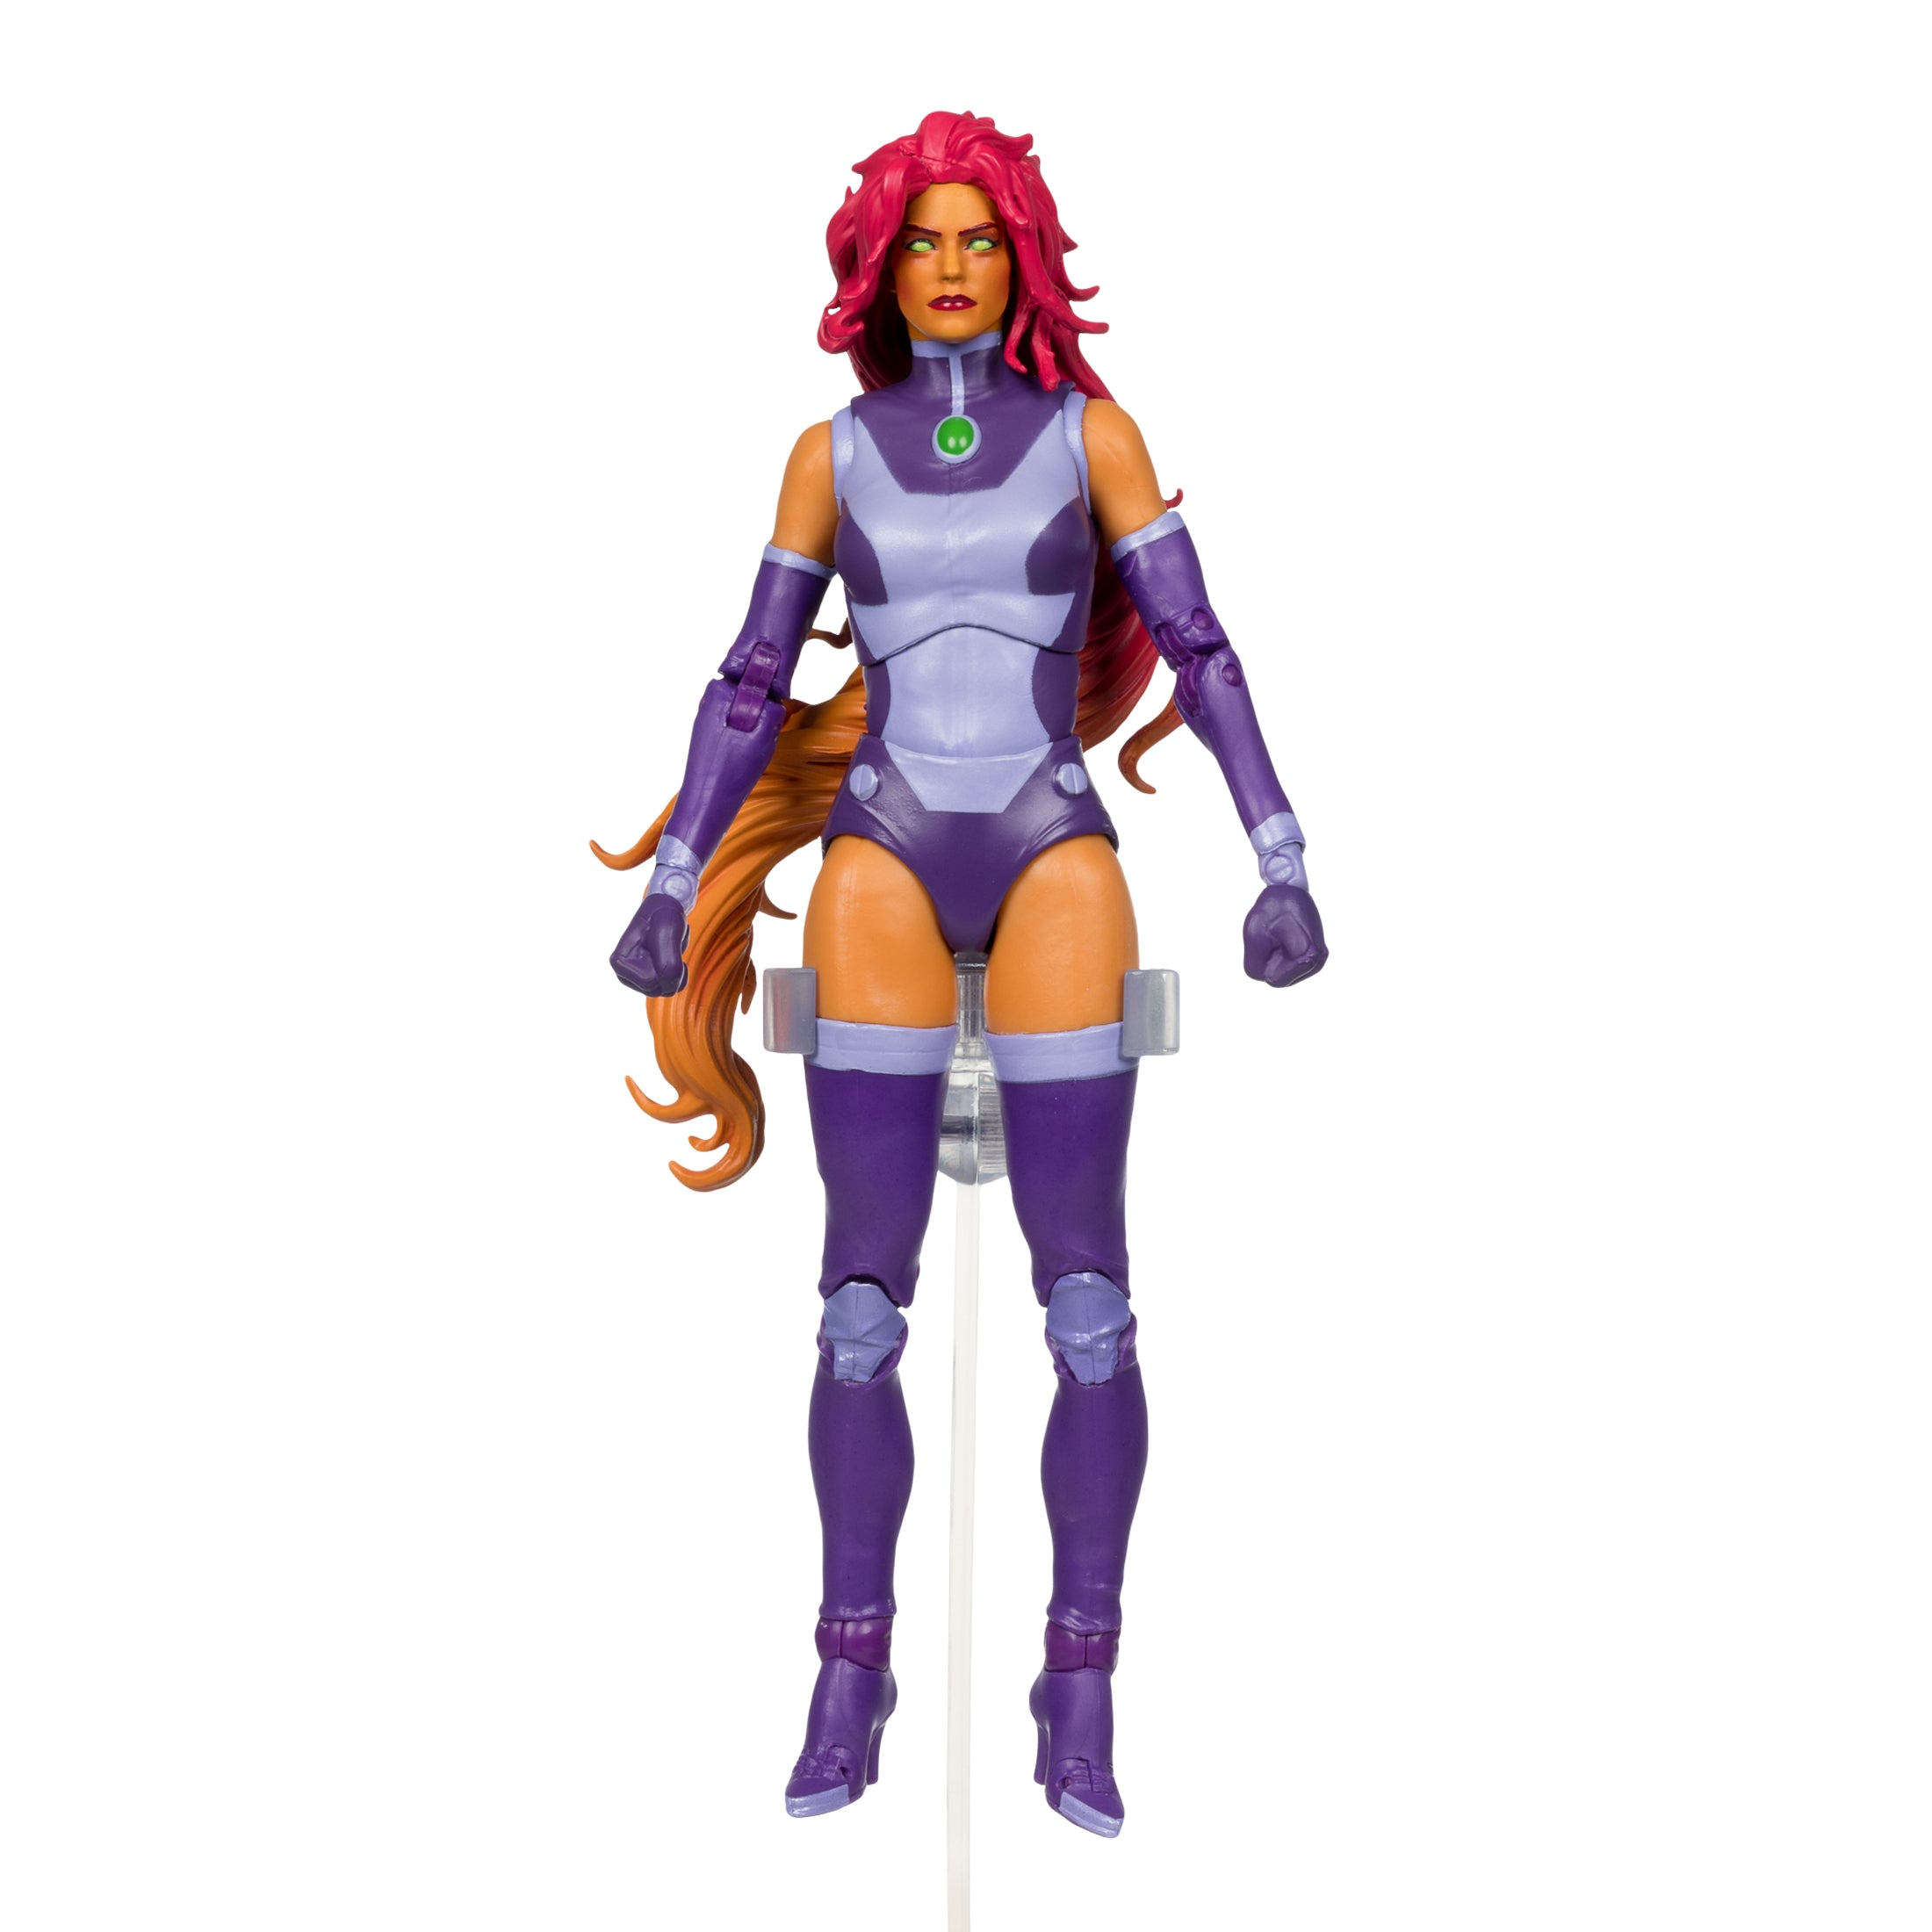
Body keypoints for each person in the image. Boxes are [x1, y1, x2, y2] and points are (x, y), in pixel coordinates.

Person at [598, 111, 1326, 1836]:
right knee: (861, 1307)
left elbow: (1202, 643)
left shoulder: (1094, 437)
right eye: (920, 238)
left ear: (1020, 260)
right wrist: (680, 874)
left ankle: (1081, 1680)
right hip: (883, 845)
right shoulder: (826, 454)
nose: (948, 265)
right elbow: (750, 679)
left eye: (978, 239)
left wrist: (1280, 854)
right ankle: (847, 1668)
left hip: (1050, 840)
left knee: (1090, 1305)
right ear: (878, 264)